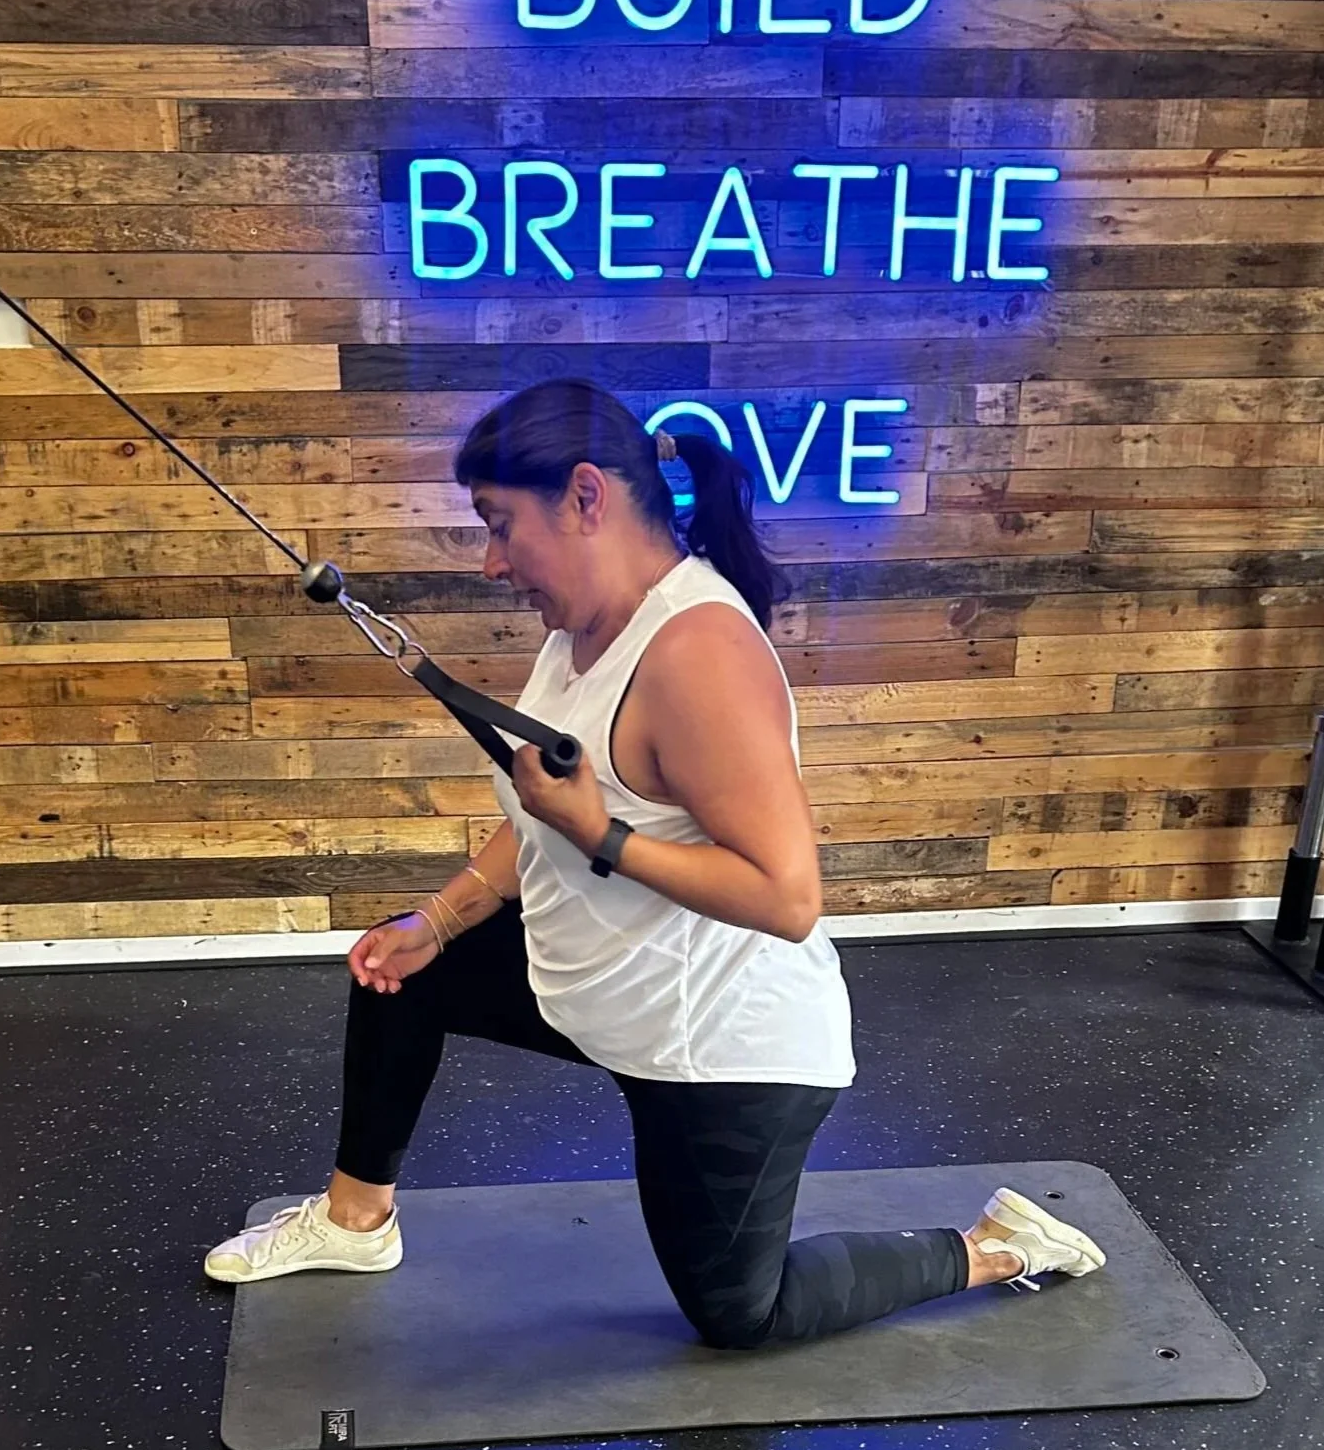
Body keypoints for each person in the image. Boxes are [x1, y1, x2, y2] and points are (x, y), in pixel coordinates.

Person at [205, 379, 1106, 1346]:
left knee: (739, 1314)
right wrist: (437, 919)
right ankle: (354, 1222)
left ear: (586, 496)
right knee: (402, 972)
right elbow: (544, 805)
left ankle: (998, 1244)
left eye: (501, 524)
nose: (492, 560)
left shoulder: (697, 653)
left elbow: (788, 895)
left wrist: (602, 835)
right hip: (595, 980)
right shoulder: (583, 626)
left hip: (717, 1045)